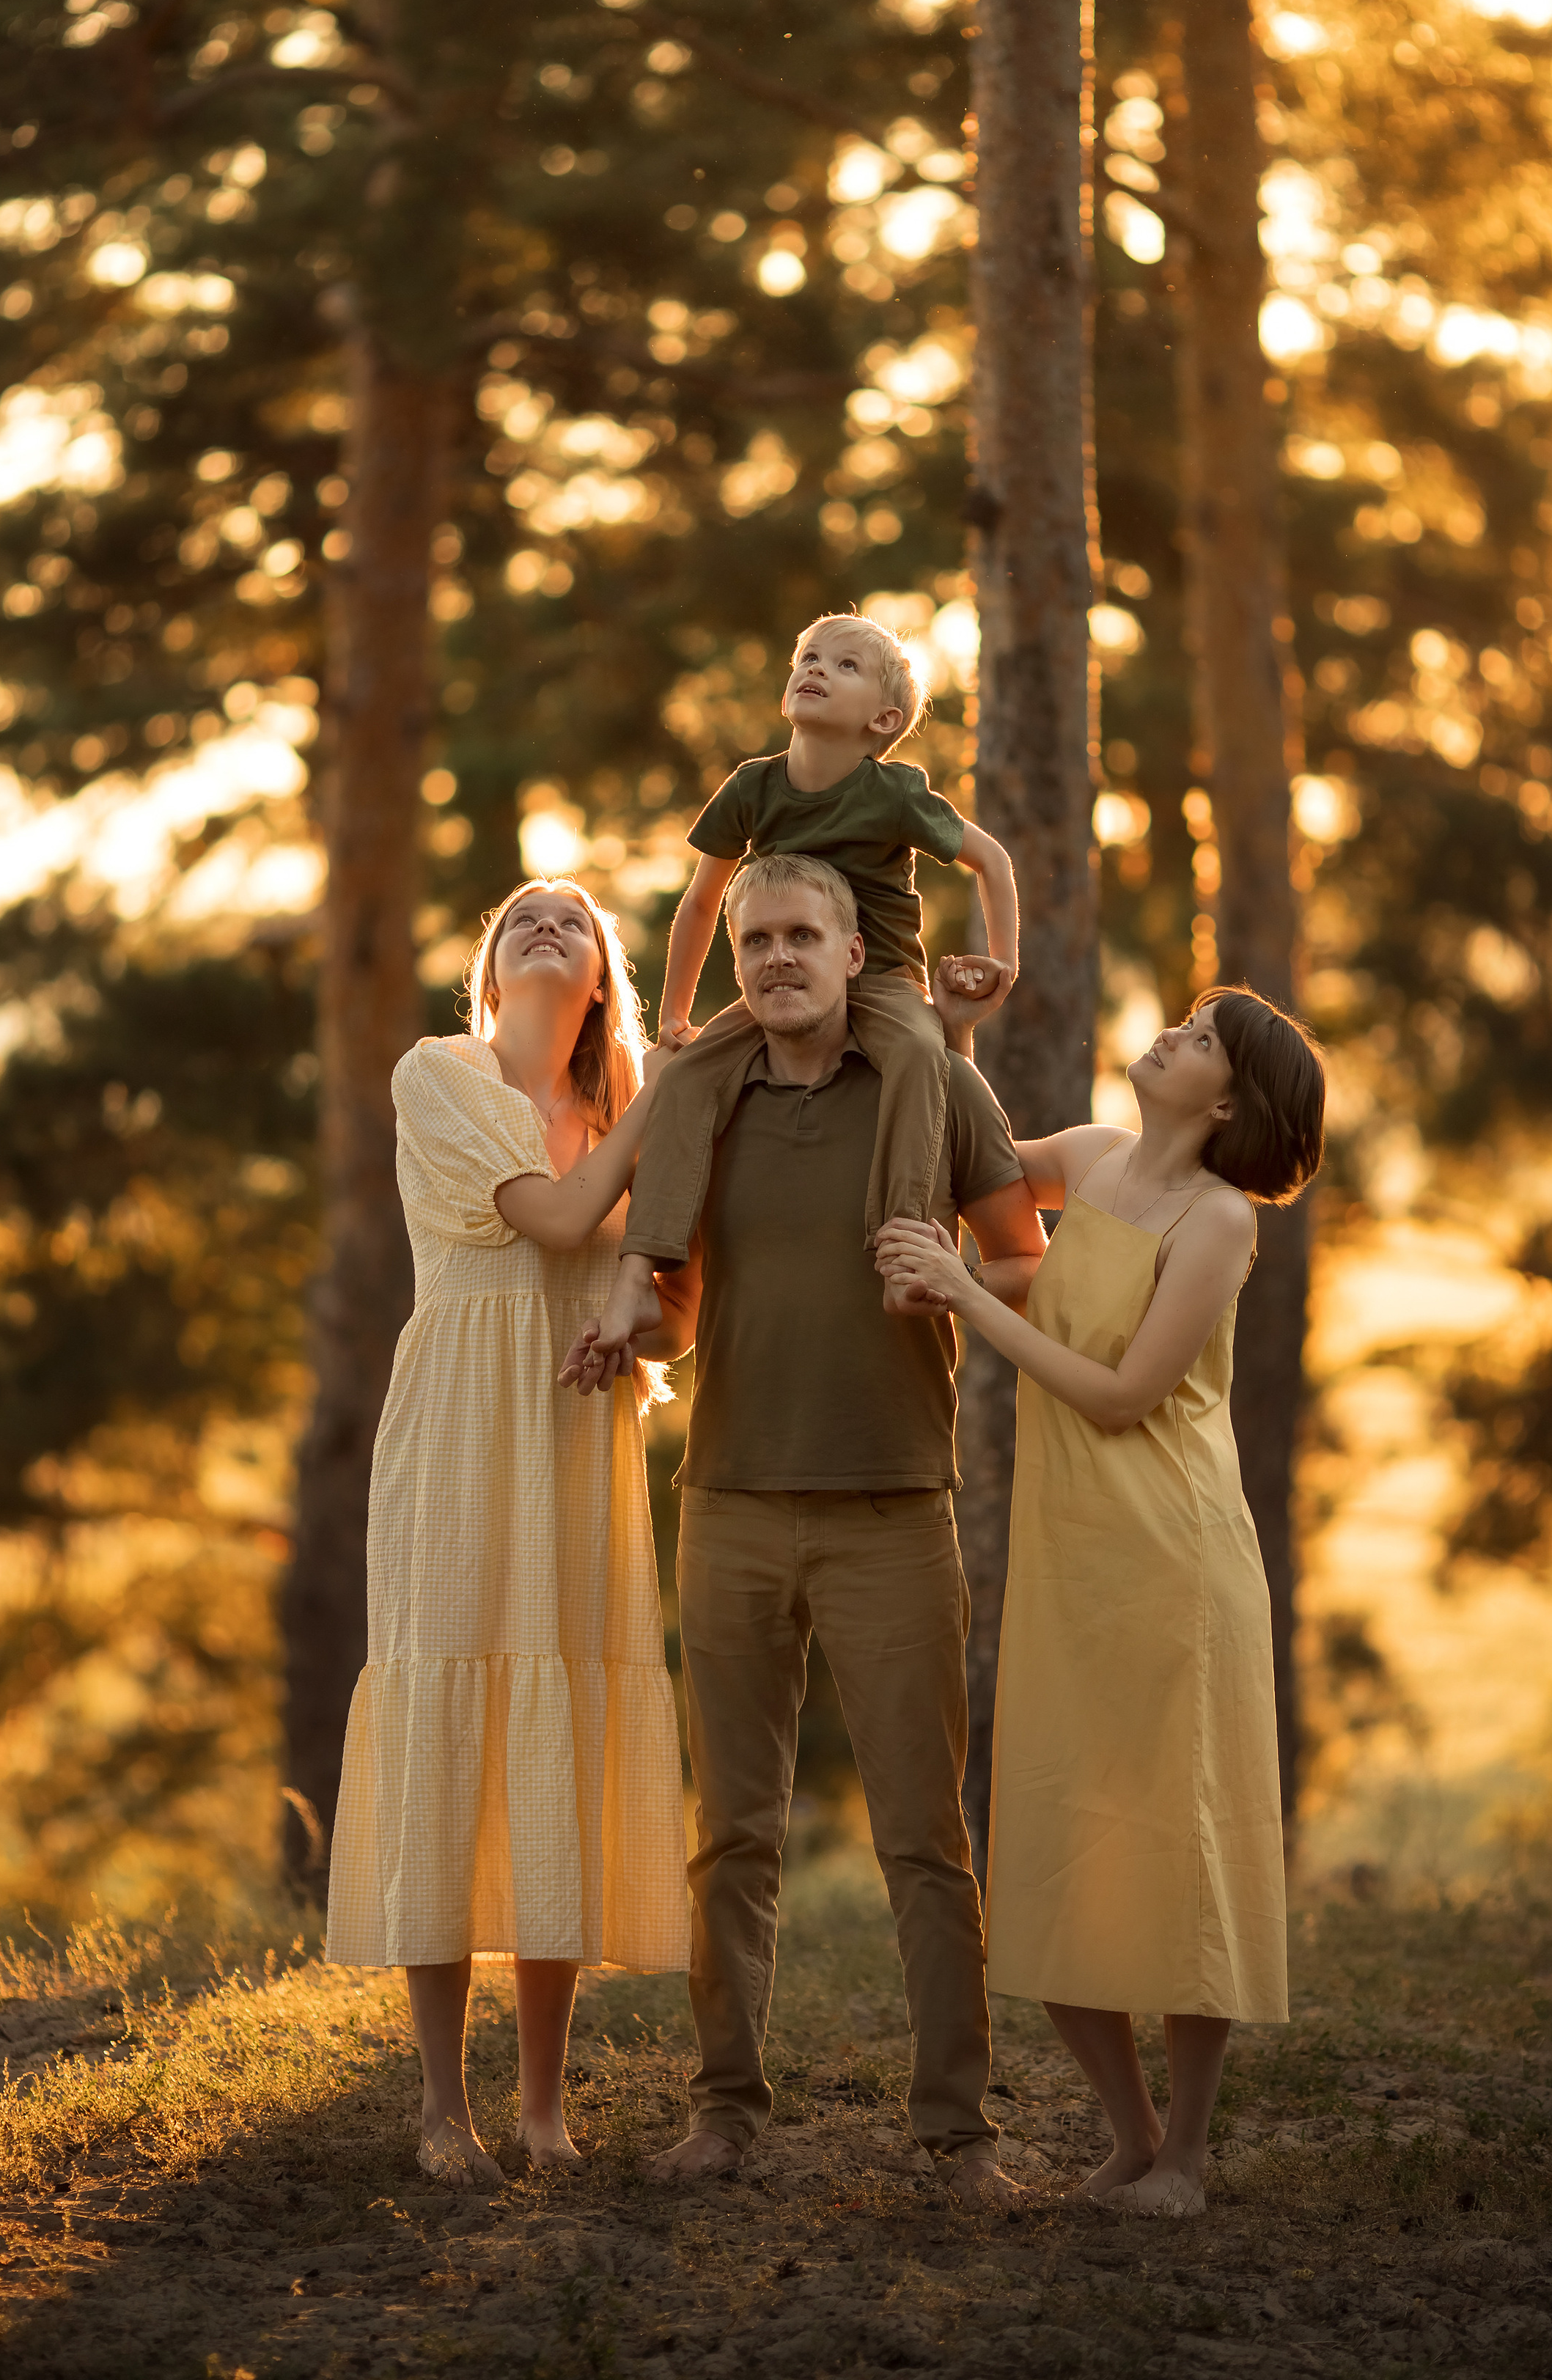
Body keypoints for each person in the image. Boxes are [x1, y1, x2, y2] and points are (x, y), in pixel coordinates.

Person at [562, 852, 1048, 2204]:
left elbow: (1021, 1257)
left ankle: (958, 2135)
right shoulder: (700, 1105)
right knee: (732, 1832)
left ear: (852, 956)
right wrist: (624, 1329)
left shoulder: (934, 1086)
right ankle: (723, 2113)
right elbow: (681, 1304)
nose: (775, 956)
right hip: (730, 1504)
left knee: (923, 1837)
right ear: (736, 964)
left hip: (895, 1507)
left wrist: (955, 1278)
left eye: (802, 936)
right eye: (755, 938)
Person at [876, 985, 1325, 2219]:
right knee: (1059, 1840)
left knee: (1176, 1856)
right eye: (1181, 1020)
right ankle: (1128, 2144)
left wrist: (971, 1298)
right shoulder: (1089, 1157)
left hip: (1174, 1566)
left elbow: (1127, 1395)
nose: (1172, 1034)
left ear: (1226, 1101)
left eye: (1200, 1041)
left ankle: (1185, 2155)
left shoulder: (1219, 1218)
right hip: (1070, 1560)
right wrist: (958, 1037)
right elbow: (965, 1157)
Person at [326, 879, 693, 2186]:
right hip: (460, 1426)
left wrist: (633, 1315)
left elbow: (679, 1304)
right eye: (522, 917)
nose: (548, 923)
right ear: (490, 970)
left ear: (601, 977)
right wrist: (673, 1095)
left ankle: (542, 2106)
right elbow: (548, 1213)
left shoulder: (626, 1118)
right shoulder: (440, 1072)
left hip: (575, 1436)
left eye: (575, 920)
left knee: (559, 1745)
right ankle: (442, 2109)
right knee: (446, 1721)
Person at [591, 611, 1019, 1359]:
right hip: (784, 982)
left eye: (844, 666)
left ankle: (905, 1249)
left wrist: (1004, 960)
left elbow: (995, 863)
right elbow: (700, 904)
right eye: (809, 657)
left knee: (923, 1055)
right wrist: (677, 1014)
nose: (815, 669)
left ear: (881, 720)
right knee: (686, 1076)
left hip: (879, 978)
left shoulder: (893, 794)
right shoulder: (753, 788)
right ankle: (638, 1271)